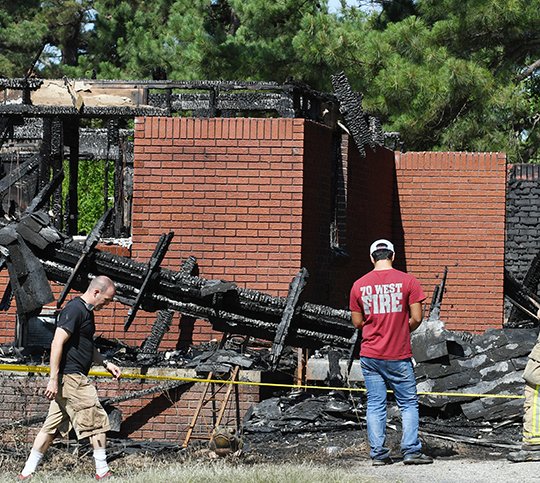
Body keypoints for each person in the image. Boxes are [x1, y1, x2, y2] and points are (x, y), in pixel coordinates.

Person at [19, 275, 121, 480]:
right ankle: (103, 472)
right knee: (97, 420)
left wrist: (106, 363)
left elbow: (87, 346)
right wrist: (53, 379)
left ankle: (26, 473)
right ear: (96, 292)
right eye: (107, 300)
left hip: (70, 379)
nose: (107, 304)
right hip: (72, 378)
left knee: (51, 427)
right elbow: (57, 342)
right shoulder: (75, 309)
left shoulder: (86, 313)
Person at [349, 239, 433, 466]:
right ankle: (411, 451)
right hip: (398, 354)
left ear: (371, 258)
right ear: (393, 256)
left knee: (375, 404)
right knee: (408, 403)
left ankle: (378, 454)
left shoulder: (358, 285)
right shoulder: (409, 282)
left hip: (370, 355)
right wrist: (399, 327)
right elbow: (416, 318)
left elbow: (357, 322)